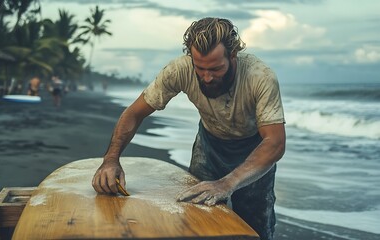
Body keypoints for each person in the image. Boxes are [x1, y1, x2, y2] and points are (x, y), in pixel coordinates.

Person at [92, 17, 286, 240]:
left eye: (215, 68)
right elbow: (135, 113)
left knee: (255, 229)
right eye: (200, 68)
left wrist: (227, 183)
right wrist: (111, 159)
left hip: (254, 151)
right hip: (209, 145)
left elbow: (275, 142)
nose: (206, 77)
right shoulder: (179, 70)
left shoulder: (259, 77)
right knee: (197, 220)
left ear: (233, 55)